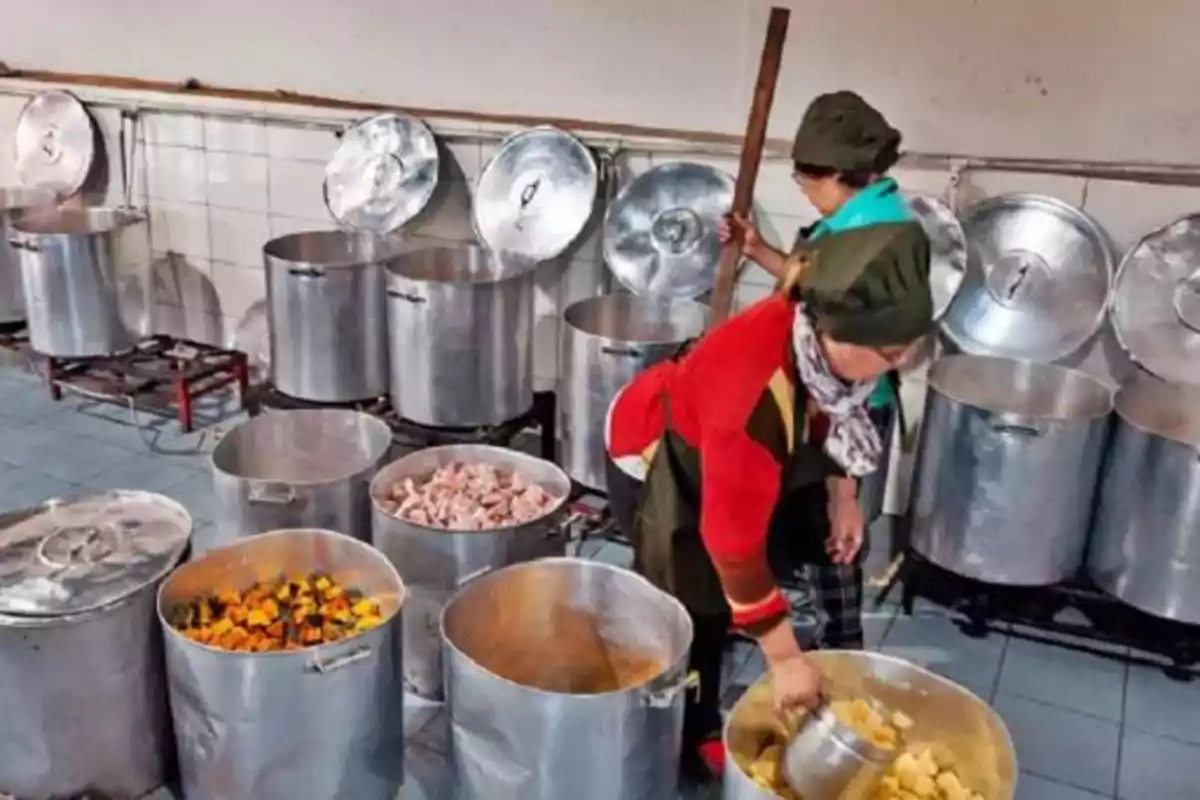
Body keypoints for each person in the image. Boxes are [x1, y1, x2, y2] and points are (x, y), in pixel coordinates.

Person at [603, 90, 933, 784]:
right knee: (694, 605)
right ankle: (688, 737)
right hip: (661, 455)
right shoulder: (749, 403)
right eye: (889, 354)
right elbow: (729, 540)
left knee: (773, 558)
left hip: (731, 452)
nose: (896, 366)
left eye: (906, 351)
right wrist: (783, 655)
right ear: (835, 337)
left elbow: (844, 412)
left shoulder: (825, 340)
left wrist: (846, 497)